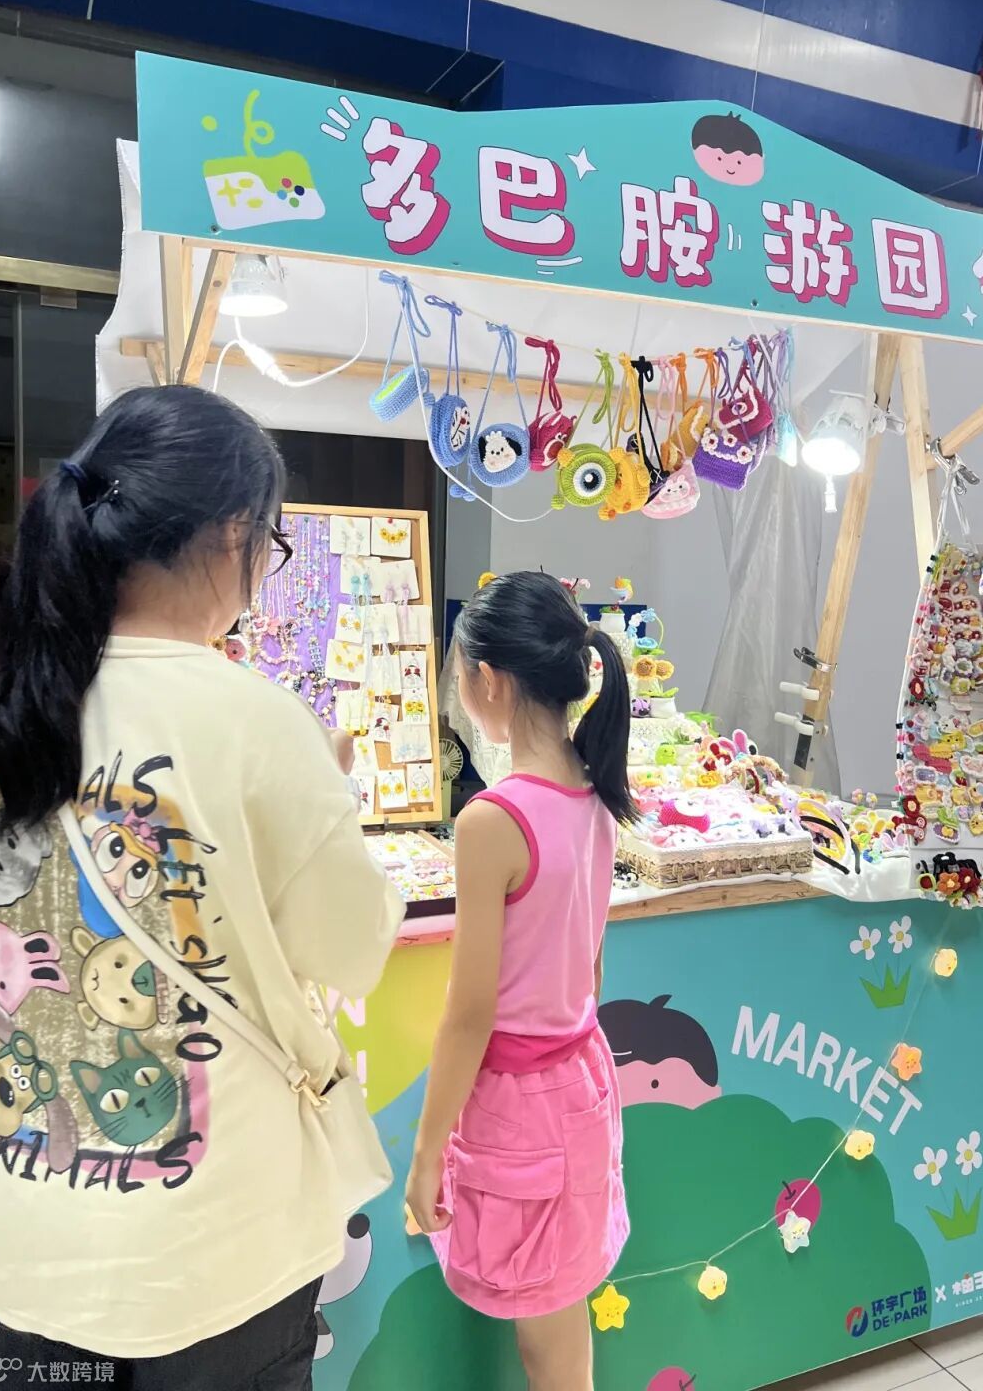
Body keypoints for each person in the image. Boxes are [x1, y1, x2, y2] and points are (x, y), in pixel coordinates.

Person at [0, 385, 403, 1388]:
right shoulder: (256, 719)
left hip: (21, 1235)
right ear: (234, 534)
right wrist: (331, 795)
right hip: (210, 1259)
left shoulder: (3, 706)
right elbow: (352, 949)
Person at [405, 571, 633, 1391]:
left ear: (489, 681)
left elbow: (468, 1016)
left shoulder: (493, 820)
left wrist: (426, 1153)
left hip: (521, 1107)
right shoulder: (595, 792)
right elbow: (590, 968)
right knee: (560, 1325)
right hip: (582, 1083)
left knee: (548, 1331)